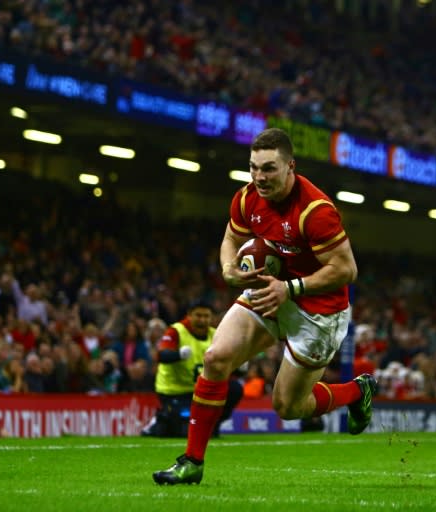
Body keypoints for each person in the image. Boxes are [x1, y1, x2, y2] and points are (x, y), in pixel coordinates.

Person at [153, 128, 376, 485]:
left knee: (287, 407)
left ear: (291, 166)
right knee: (215, 359)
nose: (260, 177)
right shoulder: (246, 198)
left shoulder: (316, 211)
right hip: (271, 291)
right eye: (254, 168)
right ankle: (192, 462)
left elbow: (346, 269)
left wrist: (291, 288)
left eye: (269, 168)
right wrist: (228, 268)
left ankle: (356, 391)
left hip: (318, 311)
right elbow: (231, 237)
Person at [142, 301, 242, 437]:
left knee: (235, 388)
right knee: (185, 432)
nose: (202, 320)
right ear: (189, 315)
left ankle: (214, 423)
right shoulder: (176, 331)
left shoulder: (215, 335)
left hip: (202, 390)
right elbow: (161, 355)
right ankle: (158, 421)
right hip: (175, 391)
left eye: (206, 316)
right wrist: (178, 354)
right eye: (198, 316)